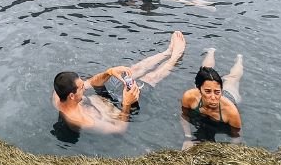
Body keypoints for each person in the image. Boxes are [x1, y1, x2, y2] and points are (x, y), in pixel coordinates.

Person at [53, 31, 186, 134]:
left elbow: (91, 82)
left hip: (104, 98)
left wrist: (109, 72)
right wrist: (127, 104)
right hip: (120, 109)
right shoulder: (83, 120)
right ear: (71, 95)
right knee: (150, 78)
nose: (85, 87)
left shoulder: (59, 93)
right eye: (82, 87)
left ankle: (167, 52)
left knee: (130, 71)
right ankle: (175, 58)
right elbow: (119, 130)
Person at [180, 49, 243, 147]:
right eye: (208, 92)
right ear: (199, 90)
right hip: (202, 96)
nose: (213, 97)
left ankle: (239, 59)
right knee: (205, 69)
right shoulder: (189, 97)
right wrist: (188, 138)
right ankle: (211, 51)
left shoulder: (231, 112)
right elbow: (184, 116)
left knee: (232, 78)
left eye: (217, 92)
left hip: (228, 96)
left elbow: (237, 137)